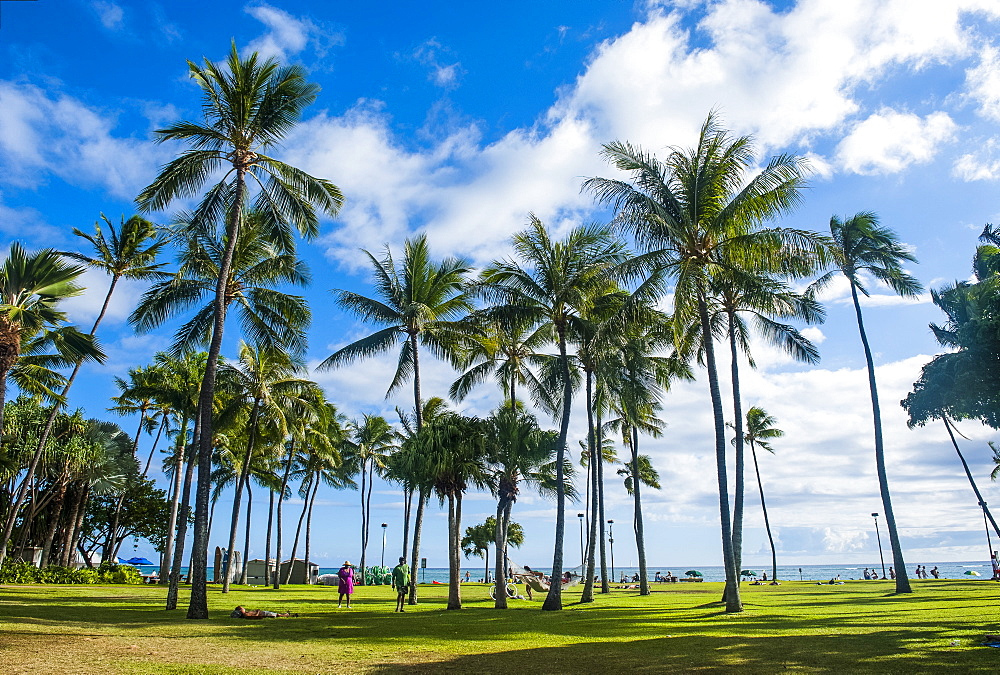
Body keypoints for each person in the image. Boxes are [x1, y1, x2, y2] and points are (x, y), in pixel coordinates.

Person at [231, 605, 297, 619]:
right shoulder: (246, 615)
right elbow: (255, 616)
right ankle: (289, 615)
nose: (244, 609)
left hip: (263, 612)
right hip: (263, 613)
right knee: (277, 615)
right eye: (243, 608)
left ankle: (287, 614)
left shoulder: (246, 613)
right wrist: (257, 611)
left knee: (277, 614)